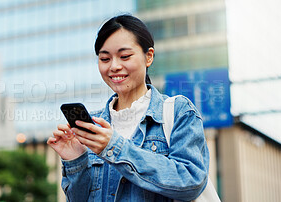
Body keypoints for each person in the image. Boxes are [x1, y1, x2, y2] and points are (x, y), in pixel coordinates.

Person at [47, 14, 209, 201]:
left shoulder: (179, 111)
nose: (114, 66)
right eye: (105, 59)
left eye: (124, 56)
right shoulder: (91, 127)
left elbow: (190, 182)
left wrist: (114, 147)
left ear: (148, 57)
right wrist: (76, 161)